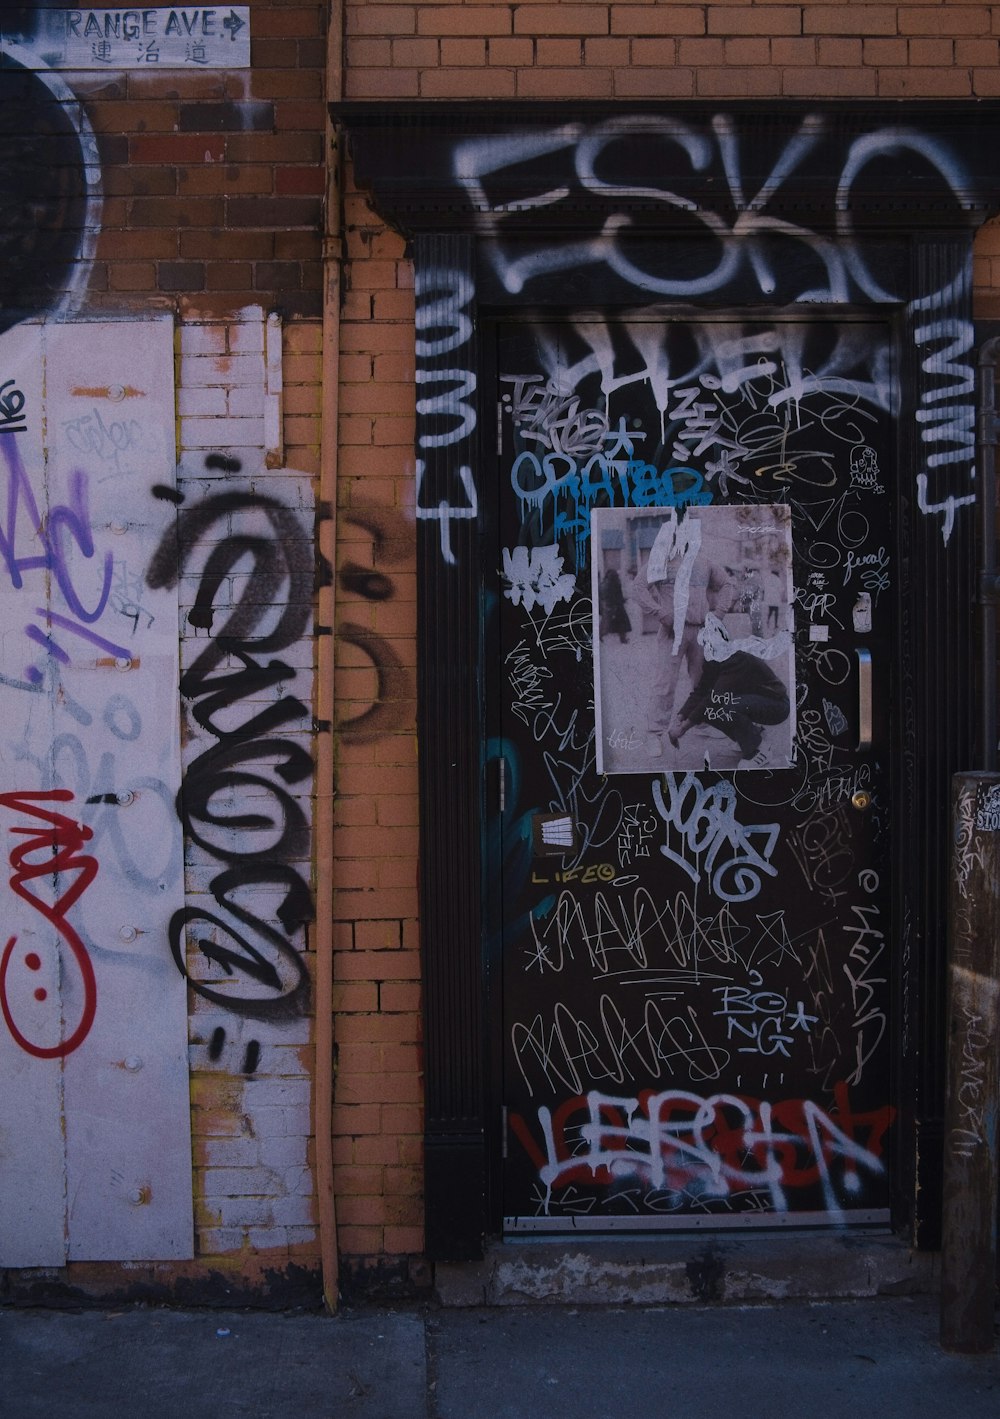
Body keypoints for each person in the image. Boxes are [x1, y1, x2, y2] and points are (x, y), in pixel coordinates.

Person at [630, 515, 732, 756]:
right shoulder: (661, 561)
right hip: (672, 632)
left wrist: (718, 613)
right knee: (665, 683)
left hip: (701, 631)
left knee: (702, 681)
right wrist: (659, 612)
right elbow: (637, 587)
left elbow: (728, 584)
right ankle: (654, 734)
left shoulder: (704, 563)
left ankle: (703, 723)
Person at [667, 614, 790, 764]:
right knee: (708, 711)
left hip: (777, 705)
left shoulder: (735, 657)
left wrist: (683, 728)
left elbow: (714, 699)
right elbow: (701, 691)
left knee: (722, 707)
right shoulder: (713, 659)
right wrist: (679, 718)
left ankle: (759, 750)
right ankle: (752, 736)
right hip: (754, 701)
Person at [598, 567, 631, 643]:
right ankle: (622, 639)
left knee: (607, 623)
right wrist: (623, 600)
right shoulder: (615, 583)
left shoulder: (604, 583)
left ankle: (600, 636)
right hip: (617, 607)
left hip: (610, 606)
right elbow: (617, 596)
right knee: (621, 624)